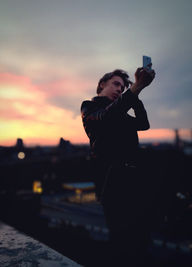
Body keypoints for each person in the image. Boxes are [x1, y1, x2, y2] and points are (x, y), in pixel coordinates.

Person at [81, 67, 155, 266]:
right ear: (101, 85)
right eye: (115, 84)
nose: (119, 89)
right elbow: (106, 117)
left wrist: (136, 94)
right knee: (123, 241)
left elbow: (143, 123)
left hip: (135, 179)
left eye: (122, 88)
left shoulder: (120, 111)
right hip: (112, 182)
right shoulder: (89, 107)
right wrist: (134, 90)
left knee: (141, 239)